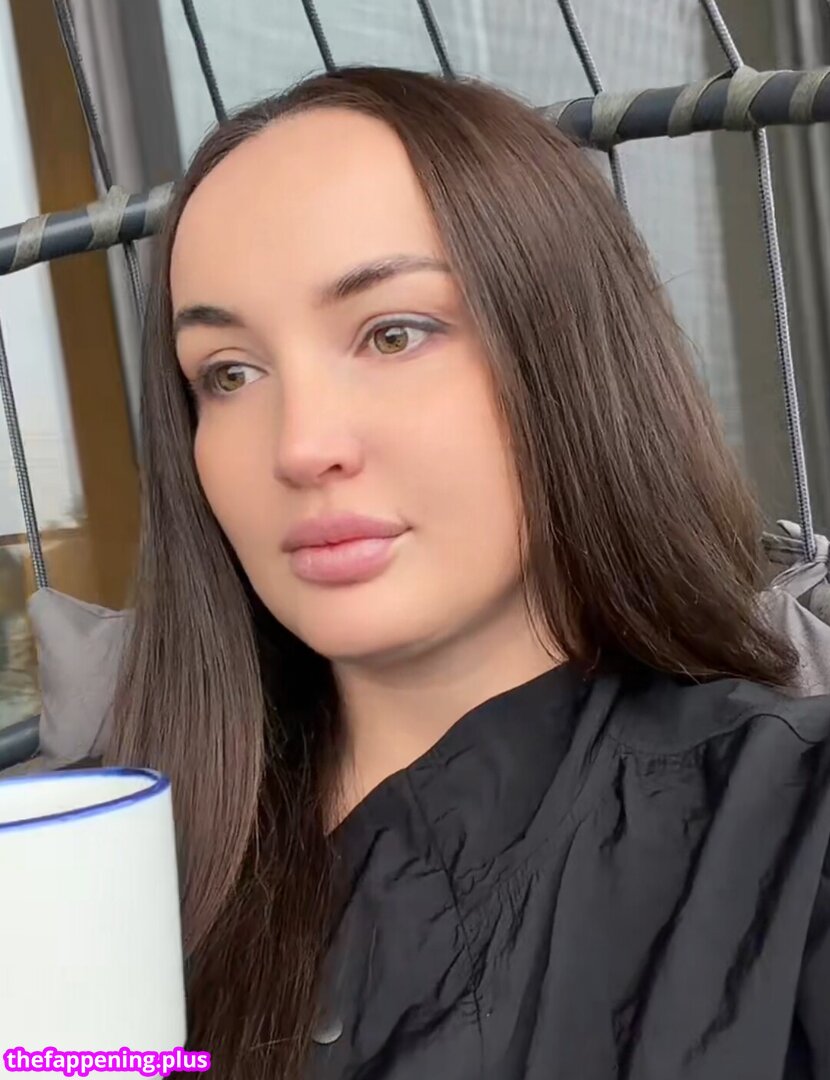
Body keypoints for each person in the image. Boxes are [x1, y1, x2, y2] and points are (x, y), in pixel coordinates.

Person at [106, 67, 830, 1079]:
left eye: (392, 334)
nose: (301, 446)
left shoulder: (793, 833)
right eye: (229, 373)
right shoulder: (94, 865)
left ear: (567, 350)